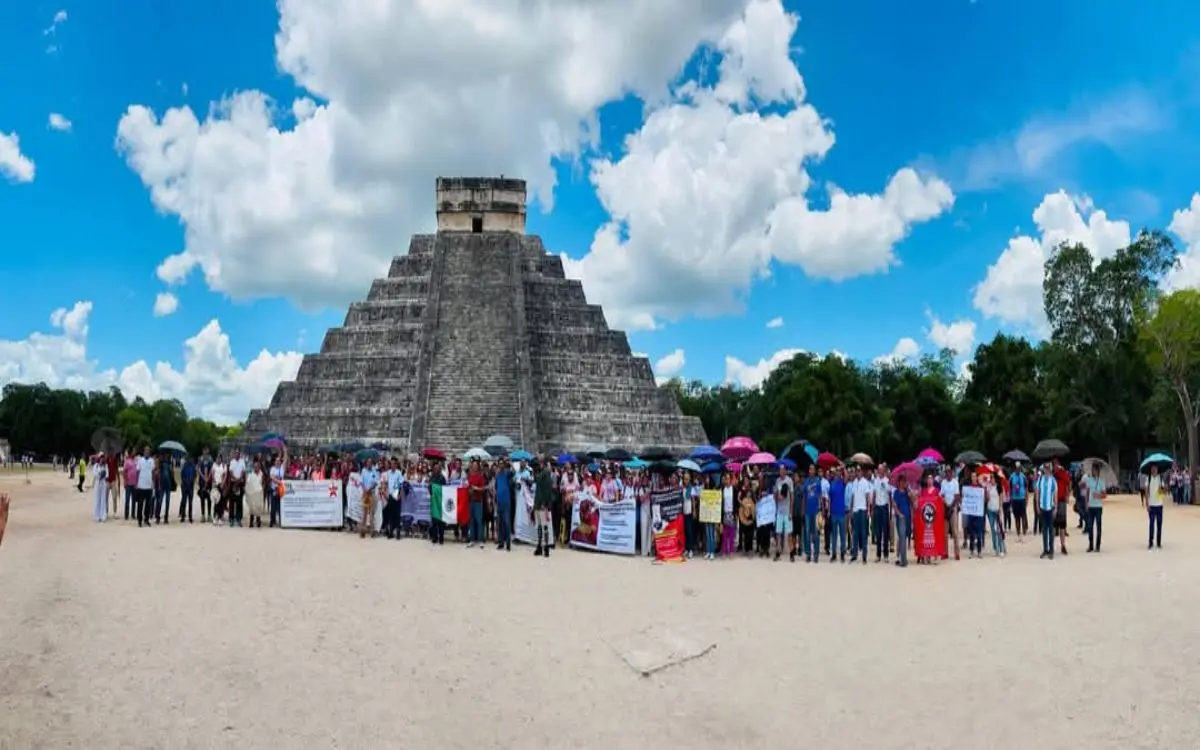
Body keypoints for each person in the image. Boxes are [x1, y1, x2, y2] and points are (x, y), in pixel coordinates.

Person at [1081, 463, 1106, 552]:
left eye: (1094, 470)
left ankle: (1098, 546)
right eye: (1092, 470)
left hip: (1098, 507)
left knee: (1098, 526)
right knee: (1090, 526)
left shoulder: (1101, 481)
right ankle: (1091, 545)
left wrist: (1098, 495)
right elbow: (1087, 492)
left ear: (1097, 471)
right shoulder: (1089, 480)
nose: (1092, 471)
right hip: (1091, 506)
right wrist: (1086, 503)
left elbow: (1104, 495)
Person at [1035, 463, 1058, 560]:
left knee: (1051, 531)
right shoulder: (1040, 480)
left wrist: (1056, 508)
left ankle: (1051, 550)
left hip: (1050, 508)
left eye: (1048, 468)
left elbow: (1055, 495)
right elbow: (1037, 493)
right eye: (1045, 468)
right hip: (1042, 508)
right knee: (1044, 530)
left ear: (1050, 469)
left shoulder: (1053, 481)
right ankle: (1045, 549)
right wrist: (1037, 506)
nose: (1046, 470)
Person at [890, 474, 913, 567]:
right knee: (902, 537)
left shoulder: (907, 492)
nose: (904, 483)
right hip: (900, 517)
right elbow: (894, 505)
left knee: (905, 537)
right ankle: (903, 560)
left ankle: (901, 557)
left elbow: (913, 502)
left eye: (905, 481)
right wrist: (899, 514)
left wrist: (910, 493)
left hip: (908, 517)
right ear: (899, 482)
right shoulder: (896, 492)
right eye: (902, 481)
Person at [939, 466, 961, 561]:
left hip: (953, 508)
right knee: (945, 532)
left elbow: (957, 496)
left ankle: (957, 553)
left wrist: (951, 506)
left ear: (952, 473)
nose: (948, 474)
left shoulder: (955, 482)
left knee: (955, 531)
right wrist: (945, 504)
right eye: (946, 472)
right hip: (945, 507)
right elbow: (942, 495)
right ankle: (945, 552)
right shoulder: (943, 482)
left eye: (949, 472)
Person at [533, 460, 553, 557]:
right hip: (539, 503)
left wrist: (545, 503)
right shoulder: (545, 476)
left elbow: (547, 492)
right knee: (541, 526)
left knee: (543, 526)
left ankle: (545, 547)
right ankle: (541, 546)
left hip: (542, 504)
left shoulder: (544, 476)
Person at [772, 468, 793, 562]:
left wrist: (790, 512)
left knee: (789, 533)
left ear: (785, 471)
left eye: (782, 470)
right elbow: (775, 496)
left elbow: (792, 497)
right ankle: (778, 552)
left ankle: (791, 553)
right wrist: (775, 495)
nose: (781, 472)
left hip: (787, 511)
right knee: (778, 533)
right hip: (779, 512)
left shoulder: (789, 480)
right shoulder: (777, 481)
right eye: (779, 470)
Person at [466, 459, 486, 549]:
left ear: (478, 466)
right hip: (471, 501)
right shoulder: (469, 477)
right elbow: (467, 488)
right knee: (471, 521)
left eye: (476, 465)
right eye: (473, 465)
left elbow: (483, 489)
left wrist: (476, 488)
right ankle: (472, 540)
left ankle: (481, 540)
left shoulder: (480, 477)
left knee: (479, 521)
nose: (474, 466)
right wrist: (469, 489)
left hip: (478, 502)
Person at [359, 458, 380, 539]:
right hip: (365, 494)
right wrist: (365, 489)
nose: (369, 464)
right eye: (368, 462)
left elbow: (376, 482)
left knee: (371, 513)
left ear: (372, 464)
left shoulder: (375, 471)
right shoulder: (363, 471)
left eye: (371, 462)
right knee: (364, 513)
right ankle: (362, 532)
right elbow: (361, 482)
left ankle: (372, 532)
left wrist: (369, 489)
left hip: (372, 494)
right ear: (366, 463)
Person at [1144, 465, 1165, 549]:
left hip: (1159, 505)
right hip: (1152, 505)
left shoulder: (1160, 478)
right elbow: (1145, 491)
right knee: (1151, 524)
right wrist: (1147, 503)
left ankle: (1159, 542)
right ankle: (1150, 542)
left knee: (1159, 524)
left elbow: (1164, 490)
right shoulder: (1148, 478)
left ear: (1157, 469)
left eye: (1155, 469)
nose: (1154, 470)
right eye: (1152, 469)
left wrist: (1162, 490)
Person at [135, 446, 156, 529]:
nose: (147, 453)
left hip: (149, 486)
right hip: (141, 485)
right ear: (143, 452)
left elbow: (153, 472)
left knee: (148, 505)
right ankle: (139, 520)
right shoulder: (140, 460)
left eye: (148, 451)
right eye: (145, 451)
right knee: (140, 504)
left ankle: (146, 519)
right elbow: (137, 472)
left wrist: (153, 483)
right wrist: (136, 483)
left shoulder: (151, 461)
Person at [494, 461, 513, 551]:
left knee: (506, 523)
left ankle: (508, 543)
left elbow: (514, 472)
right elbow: (496, 487)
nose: (501, 465)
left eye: (502, 463)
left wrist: (510, 463)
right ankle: (501, 543)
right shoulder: (497, 475)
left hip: (506, 502)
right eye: (499, 463)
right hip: (499, 502)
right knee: (500, 523)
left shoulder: (507, 473)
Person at [245, 460, 266, 528]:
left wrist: (262, 487)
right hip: (253, 493)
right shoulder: (251, 474)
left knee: (258, 507)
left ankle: (258, 521)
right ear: (253, 467)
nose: (256, 467)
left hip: (259, 493)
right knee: (252, 508)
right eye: (255, 466)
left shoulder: (261, 474)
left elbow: (263, 483)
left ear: (259, 467)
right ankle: (251, 522)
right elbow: (248, 483)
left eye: (257, 466)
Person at [1009, 463, 1028, 539]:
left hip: (1022, 498)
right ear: (1015, 468)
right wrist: (1010, 499)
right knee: (1016, 517)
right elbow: (1009, 488)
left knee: (1023, 515)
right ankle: (1018, 532)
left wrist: (1026, 498)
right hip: (1014, 499)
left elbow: (1026, 487)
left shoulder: (1023, 476)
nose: (1018, 469)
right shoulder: (1012, 476)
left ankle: (1024, 531)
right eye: (1017, 468)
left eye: (1019, 468)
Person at [91, 454, 109, 522]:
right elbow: (95, 474)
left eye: (103, 458)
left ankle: (103, 515)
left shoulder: (105, 466)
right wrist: (100, 474)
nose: (102, 459)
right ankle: (96, 516)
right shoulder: (96, 466)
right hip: (97, 483)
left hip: (103, 483)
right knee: (97, 499)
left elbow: (107, 475)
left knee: (103, 499)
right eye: (101, 458)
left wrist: (103, 474)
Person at [178, 455, 196, 523]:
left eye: (191, 459)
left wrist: (192, 481)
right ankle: (183, 516)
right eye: (189, 459)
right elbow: (181, 475)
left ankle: (190, 517)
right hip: (184, 486)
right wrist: (185, 481)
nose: (190, 460)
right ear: (187, 459)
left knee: (190, 503)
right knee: (184, 502)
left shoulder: (193, 466)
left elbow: (195, 475)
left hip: (191, 486)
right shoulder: (184, 466)